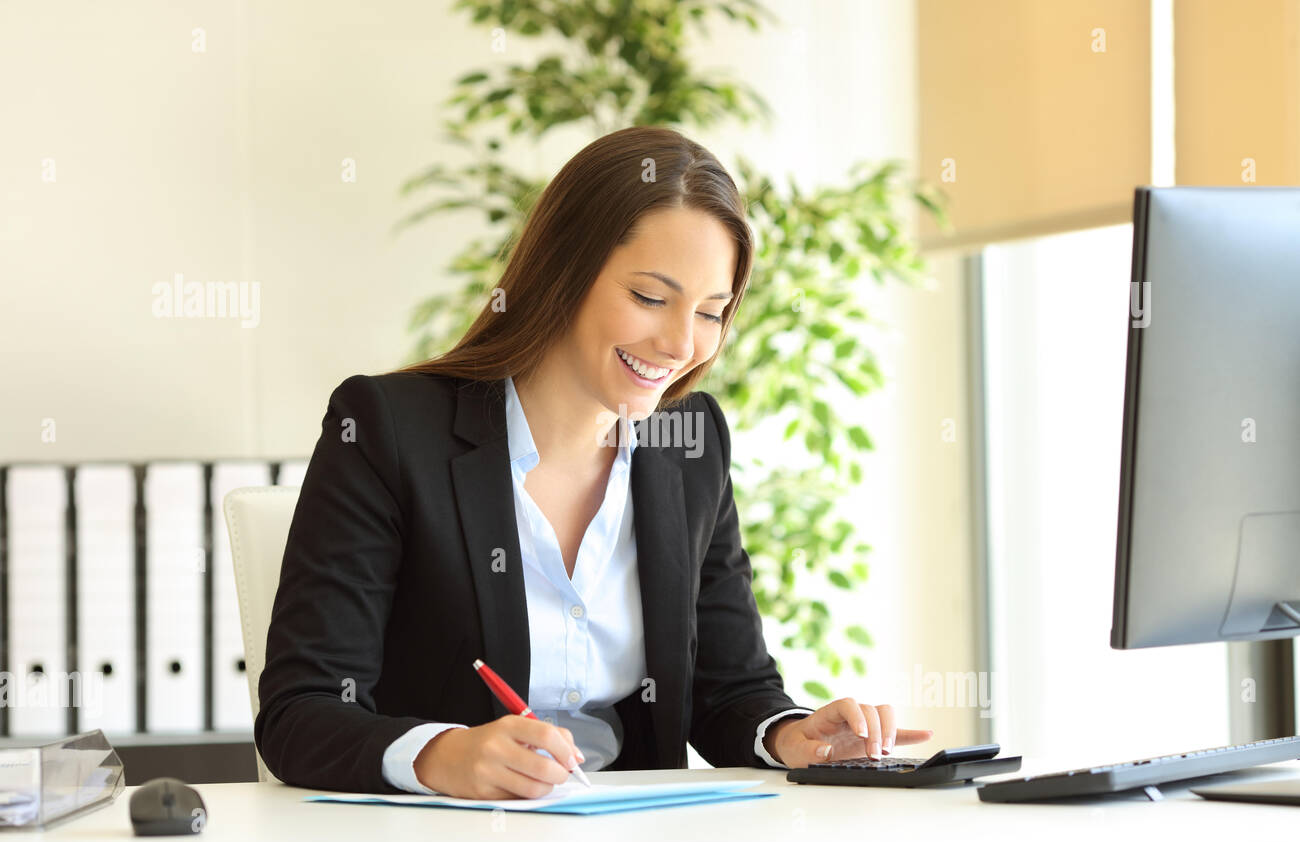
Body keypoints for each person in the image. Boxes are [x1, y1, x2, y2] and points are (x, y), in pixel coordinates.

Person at [255, 125, 932, 799]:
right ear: (564, 270)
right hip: (450, 840)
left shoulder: (689, 444)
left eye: (711, 312)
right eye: (649, 298)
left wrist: (792, 734)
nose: (678, 343)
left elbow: (730, 689)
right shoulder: (390, 429)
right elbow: (300, 713)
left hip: (634, 835)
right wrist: (446, 755)